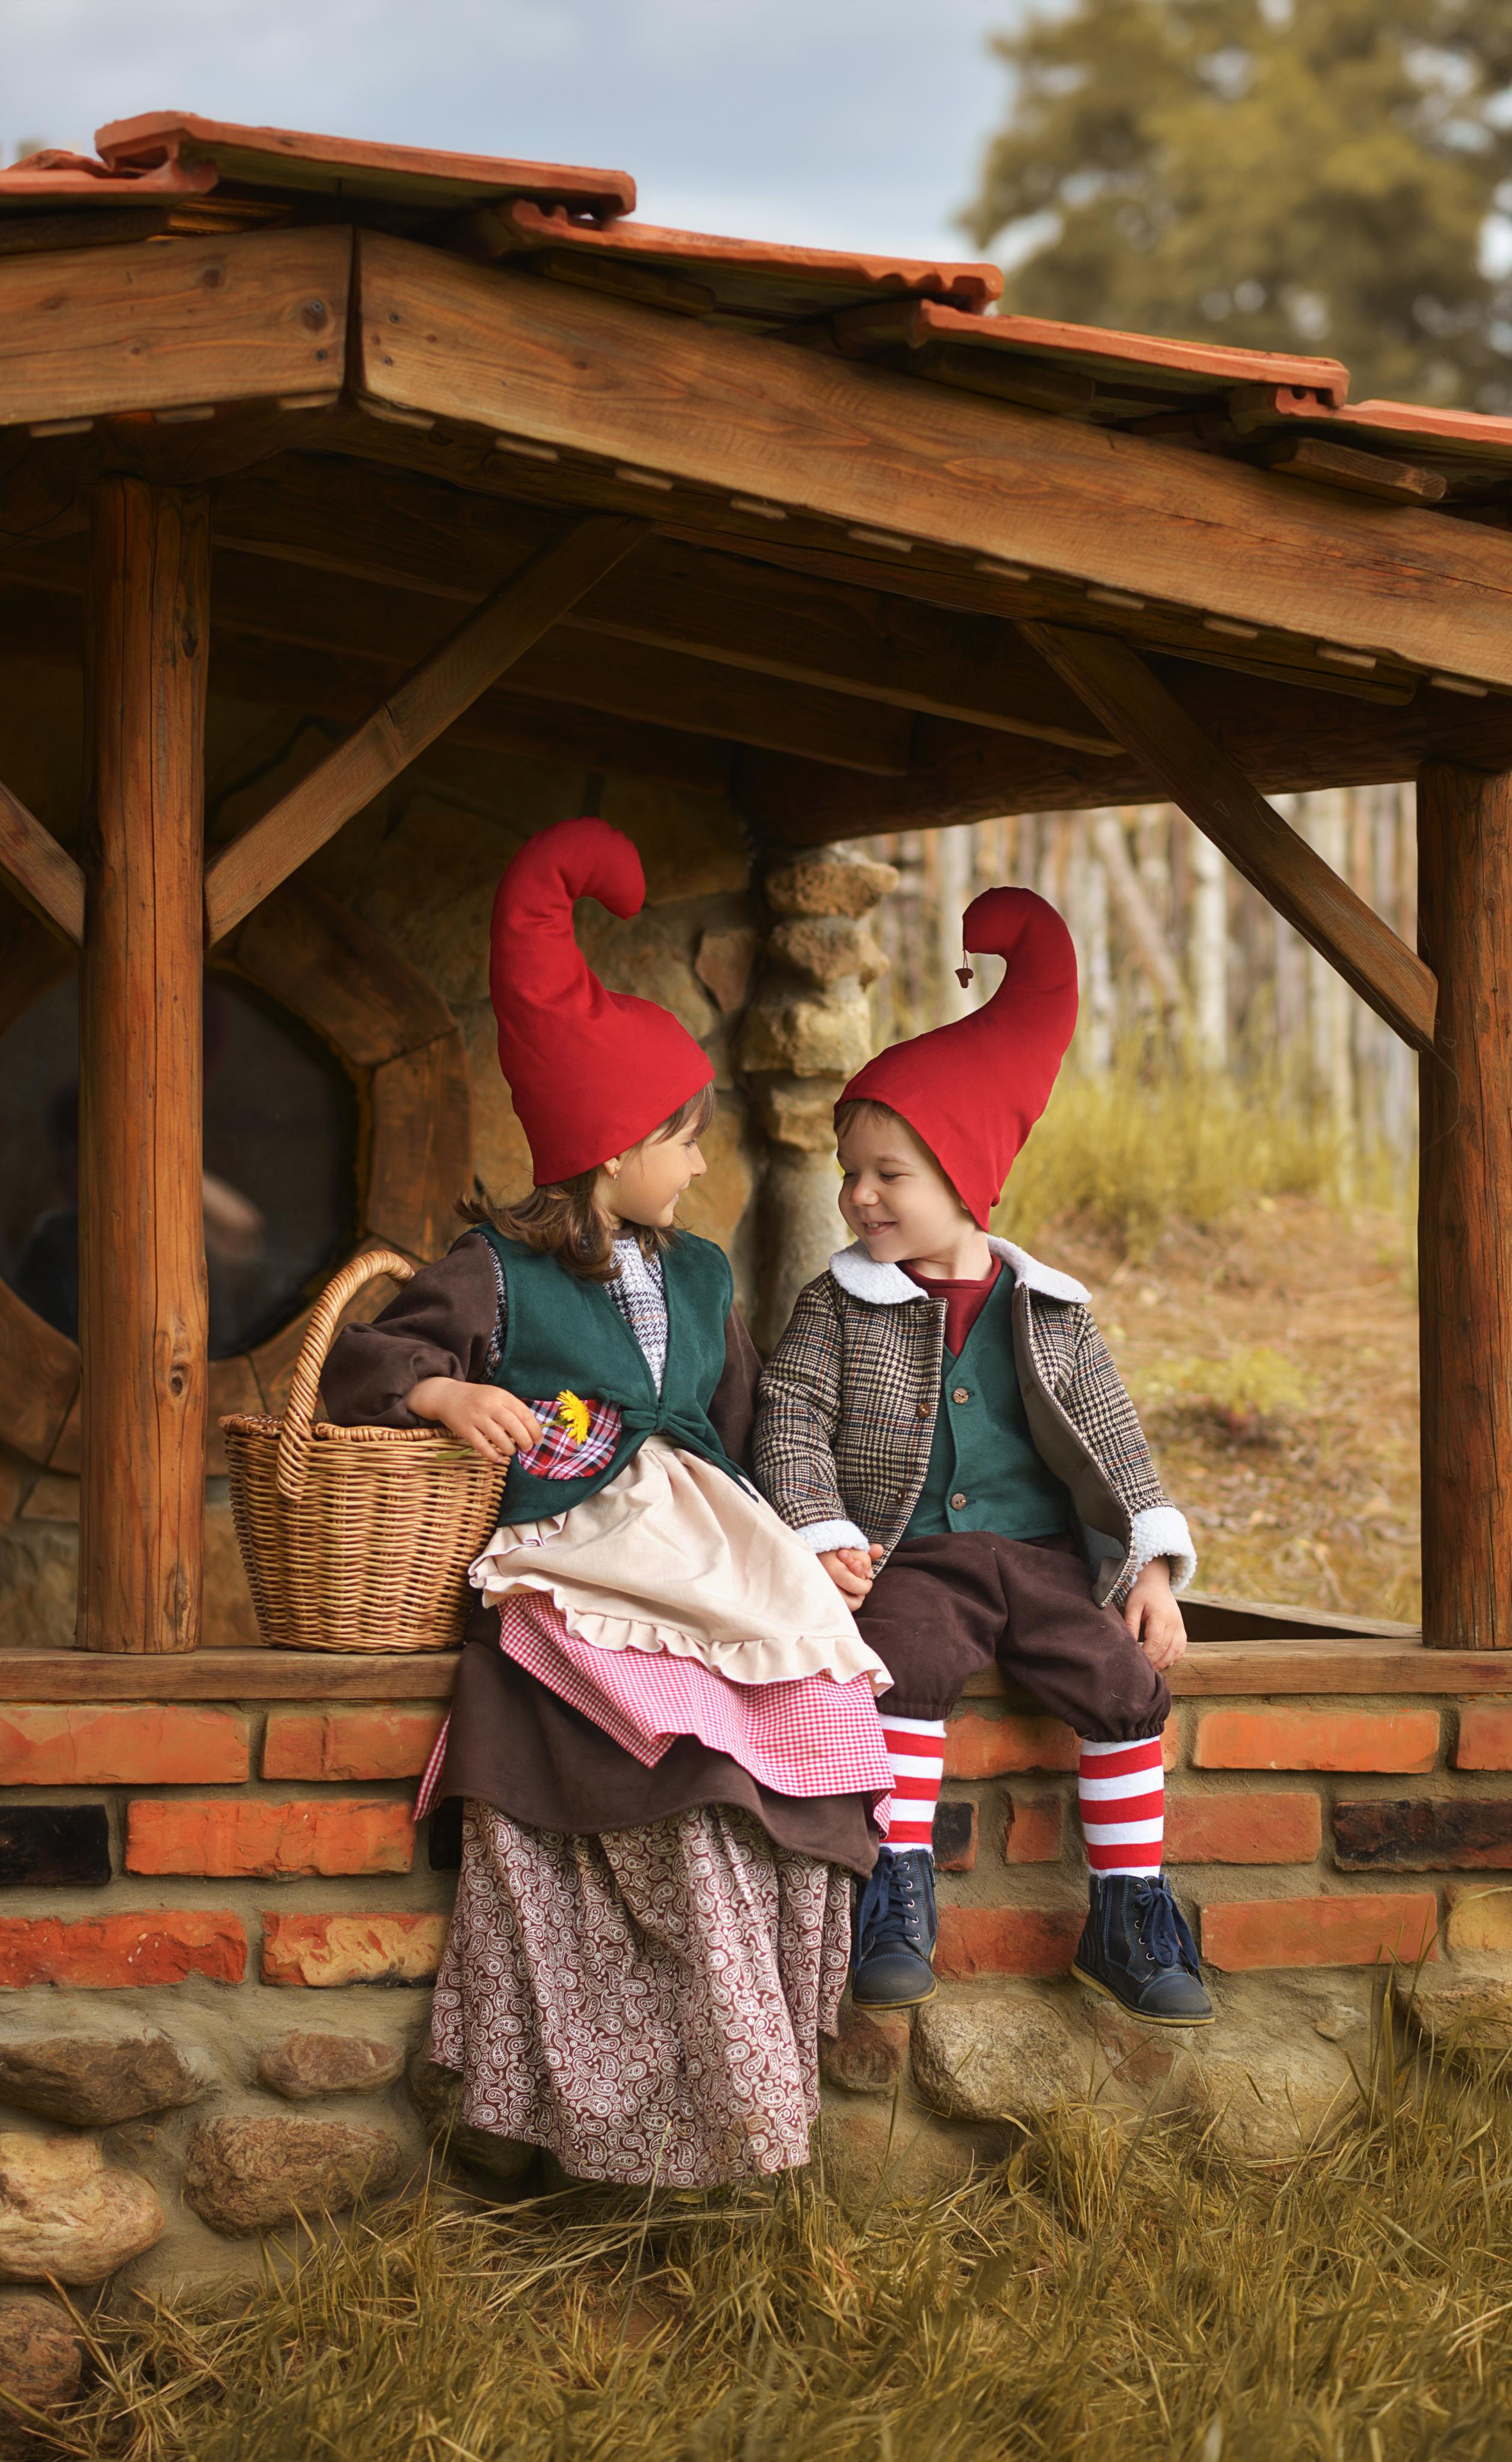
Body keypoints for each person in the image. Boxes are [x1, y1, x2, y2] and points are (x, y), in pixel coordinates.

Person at [322, 818, 892, 2187]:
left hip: (712, 1557)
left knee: (808, 1746)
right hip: (580, 1564)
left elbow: (753, 1430)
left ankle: (762, 2061)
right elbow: (363, 1358)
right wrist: (446, 1397)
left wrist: (812, 1539)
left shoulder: (699, 1280)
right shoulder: (494, 1272)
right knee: (674, 1786)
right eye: (683, 1141)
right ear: (613, 1143)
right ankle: (610, 2122)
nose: (700, 1167)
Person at [753, 885, 1213, 2027]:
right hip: (914, 1556)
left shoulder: (1047, 1310)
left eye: (888, 1176)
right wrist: (820, 1533)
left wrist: (1148, 1565)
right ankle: (897, 1891)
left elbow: (1112, 1437)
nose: (857, 1197)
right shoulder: (837, 1307)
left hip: (1047, 1562)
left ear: (964, 1178)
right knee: (902, 1664)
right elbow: (792, 1417)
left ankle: (1128, 1909)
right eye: (848, 1173)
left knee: (1123, 1686)